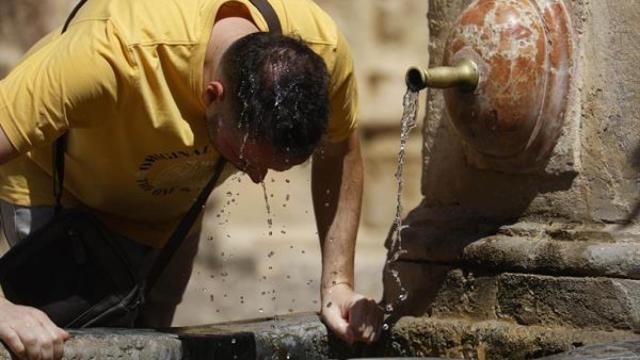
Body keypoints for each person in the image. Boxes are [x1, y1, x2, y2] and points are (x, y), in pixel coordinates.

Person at [0, 0, 384, 358]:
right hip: (60, 189)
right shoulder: (114, 54)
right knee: (46, 343)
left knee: (148, 346)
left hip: (170, 200)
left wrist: (338, 284)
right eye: (246, 159)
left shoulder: (322, 53)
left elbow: (341, 149)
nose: (255, 178)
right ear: (212, 94)